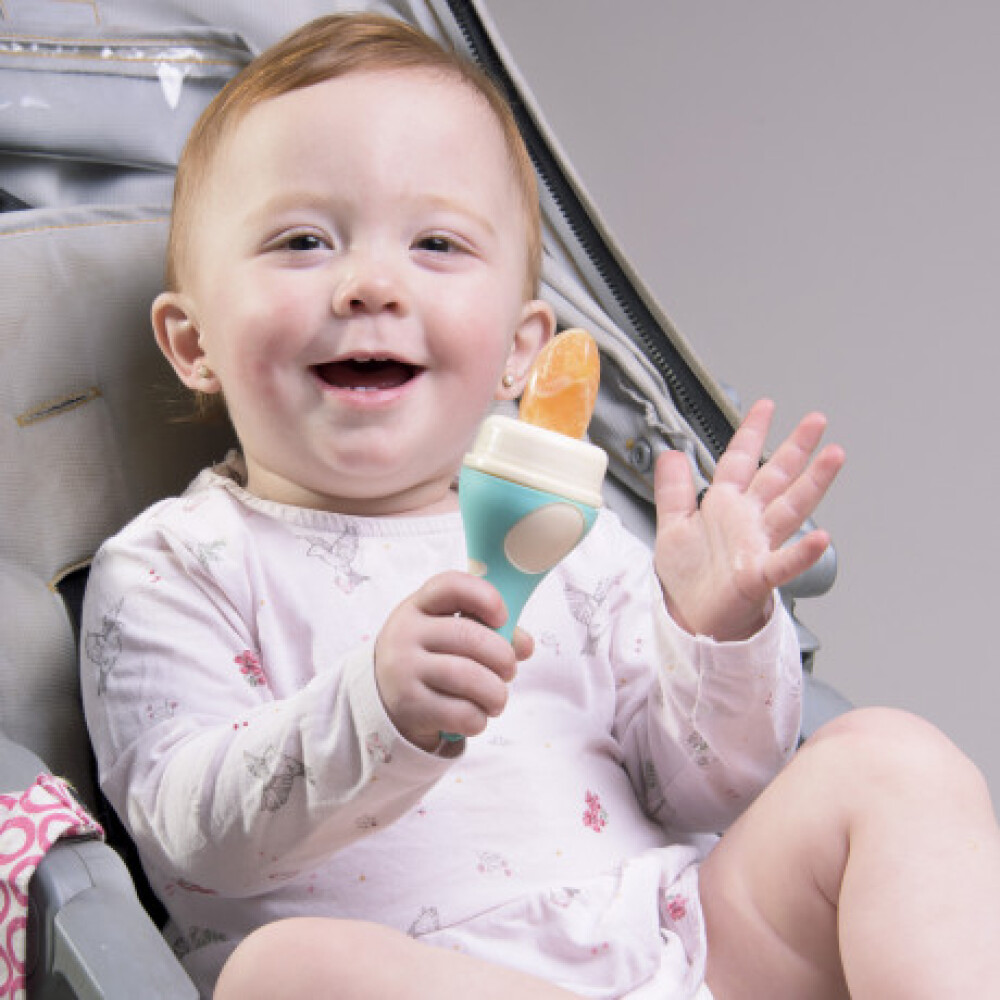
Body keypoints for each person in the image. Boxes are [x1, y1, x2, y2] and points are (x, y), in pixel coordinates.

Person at [79, 13, 1000, 1000]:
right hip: (417, 973)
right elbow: (187, 836)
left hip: (679, 948)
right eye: (302, 240)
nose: (371, 283)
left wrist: (715, 634)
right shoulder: (176, 564)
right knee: (278, 973)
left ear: (523, 350)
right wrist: (374, 710)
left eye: (435, 243)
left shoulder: (571, 538)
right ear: (193, 342)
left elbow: (708, 789)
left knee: (886, 757)